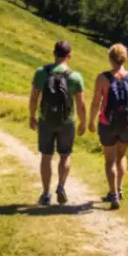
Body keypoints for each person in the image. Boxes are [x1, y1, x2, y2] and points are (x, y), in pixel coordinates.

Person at [87, 43, 128, 210]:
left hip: (107, 124)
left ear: (110, 58)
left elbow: (95, 103)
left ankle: (112, 194)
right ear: (125, 58)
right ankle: (119, 189)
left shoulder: (102, 78)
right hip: (127, 125)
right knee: (121, 156)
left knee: (109, 159)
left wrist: (91, 121)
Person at [29, 40, 86, 206]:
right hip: (67, 121)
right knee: (65, 154)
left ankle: (46, 194)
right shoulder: (75, 76)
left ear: (53, 53)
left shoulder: (41, 72)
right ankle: (61, 187)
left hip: (46, 120)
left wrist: (32, 116)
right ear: (70, 56)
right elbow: (81, 104)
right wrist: (83, 122)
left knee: (46, 156)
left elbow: (34, 98)